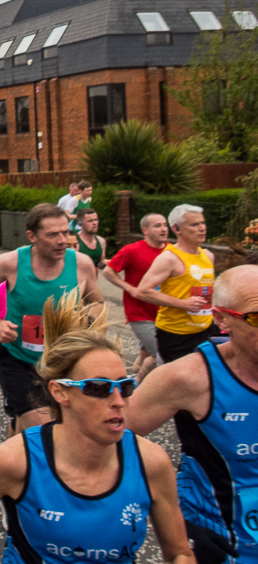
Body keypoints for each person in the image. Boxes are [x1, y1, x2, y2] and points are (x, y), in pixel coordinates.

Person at [0, 293, 193, 564]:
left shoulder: (151, 462)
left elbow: (180, 552)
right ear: (60, 392)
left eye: (124, 386)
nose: (118, 401)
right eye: (99, 388)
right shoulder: (14, 461)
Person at [126, 265, 258, 564]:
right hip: (226, 545)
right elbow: (99, 442)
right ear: (222, 319)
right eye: (256, 318)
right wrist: (173, 520)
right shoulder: (188, 378)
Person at [0, 203, 103, 433]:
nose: (62, 240)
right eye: (53, 234)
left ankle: (17, 440)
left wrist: (87, 320)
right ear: (32, 236)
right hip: (18, 358)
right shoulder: (11, 262)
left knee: (48, 423)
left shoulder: (81, 264)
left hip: (61, 359)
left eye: (66, 232)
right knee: (44, 427)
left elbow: (98, 303)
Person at [136, 204, 217, 364]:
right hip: (175, 333)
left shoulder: (208, 256)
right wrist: (183, 303)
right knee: (176, 383)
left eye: (203, 223)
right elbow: (143, 291)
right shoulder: (169, 258)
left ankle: (145, 372)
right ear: (176, 229)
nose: (202, 228)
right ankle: (143, 381)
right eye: (194, 224)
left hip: (205, 330)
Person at [102, 213, 168, 382]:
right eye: (158, 226)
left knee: (146, 355)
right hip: (140, 315)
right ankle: (148, 390)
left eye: (165, 225)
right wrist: (129, 288)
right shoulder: (132, 250)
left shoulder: (171, 251)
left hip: (165, 315)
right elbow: (108, 271)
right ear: (145, 230)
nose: (164, 229)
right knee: (163, 357)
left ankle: (131, 383)